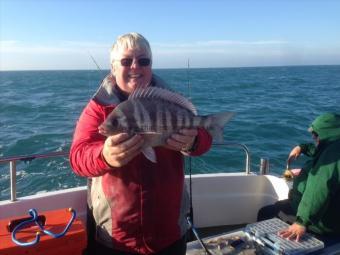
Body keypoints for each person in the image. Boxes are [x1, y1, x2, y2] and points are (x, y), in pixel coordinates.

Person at [69, 32, 212, 255]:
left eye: (143, 61)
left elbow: (205, 139)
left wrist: (194, 141)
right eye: (126, 61)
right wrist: (104, 156)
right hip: (115, 236)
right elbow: (77, 158)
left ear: (151, 65)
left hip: (170, 231)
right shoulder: (98, 109)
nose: (135, 67)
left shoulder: (168, 99)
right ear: (113, 67)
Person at [257, 113, 340, 245]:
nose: (313, 137)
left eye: (316, 134)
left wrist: (301, 222)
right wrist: (302, 148)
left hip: (323, 222)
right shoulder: (333, 146)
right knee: (279, 205)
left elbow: (319, 189)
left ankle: (265, 247)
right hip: (331, 213)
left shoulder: (333, 155)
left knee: (266, 212)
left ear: (328, 133)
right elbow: (321, 150)